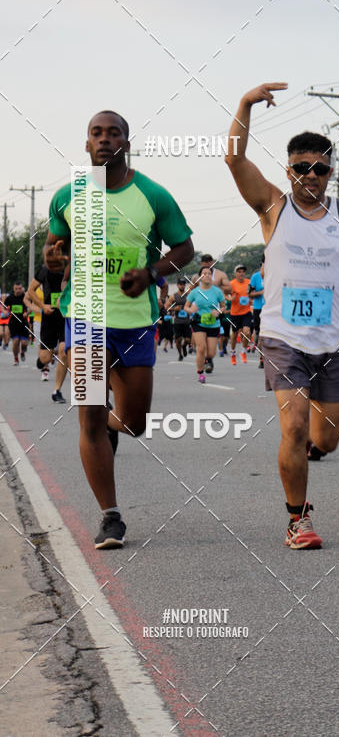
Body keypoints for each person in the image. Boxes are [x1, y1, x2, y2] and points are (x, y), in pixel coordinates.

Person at [225, 82, 339, 548]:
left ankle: (302, 453)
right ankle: (297, 519)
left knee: (325, 439)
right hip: (284, 337)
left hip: (336, 340)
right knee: (295, 424)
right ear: (289, 171)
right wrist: (245, 104)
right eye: (301, 168)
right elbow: (236, 161)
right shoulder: (273, 207)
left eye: (320, 169)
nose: (310, 176)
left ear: (330, 172)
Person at [44, 109, 193, 550]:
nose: (105, 139)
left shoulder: (151, 195)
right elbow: (56, 248)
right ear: (86, 144)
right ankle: (110, 517)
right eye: (97, 133)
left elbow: (183, 246)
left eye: (114, 133)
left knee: (134, 421)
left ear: (127, 143)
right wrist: (54, 260)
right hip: (86, 316)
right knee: (88, 413)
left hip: (135, 322)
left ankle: (112, 425)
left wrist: (150, 273)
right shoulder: (68, 195)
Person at [25, 263, 68, 402]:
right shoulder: (44, 270)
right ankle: (43, 359)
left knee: (63, 350)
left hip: (65, 316)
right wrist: (42, 306)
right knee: (46, 358)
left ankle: (57, 390)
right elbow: (31, 290)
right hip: (49, 317)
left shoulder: (71, 267)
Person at [185, 266, 225, 382]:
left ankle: (208, 360)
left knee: (211, 352)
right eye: (204, 273)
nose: (207, 275)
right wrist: (191, 310)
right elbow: (186, 307)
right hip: (198, 322)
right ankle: (200, 372)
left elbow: (223, 306)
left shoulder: (217, 291)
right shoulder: (195, 292)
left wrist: (218, 311)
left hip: (213, 324)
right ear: (200, 277)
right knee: (201, 348)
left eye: (209, 273)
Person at [227, 264, 253, 364]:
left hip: (246, 312)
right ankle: (233, 353)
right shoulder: (232, 284)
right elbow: (224, 293)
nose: (241, 273)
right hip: (235, 313)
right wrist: (230, 298)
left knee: (247, 332)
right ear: (235, 273)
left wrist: (251, 299)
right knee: (234, 333)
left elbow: (252, 293)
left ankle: (243, 351)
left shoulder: (249, 282)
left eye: (243, 271)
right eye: (239, 271)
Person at [4, 282, 31, 365]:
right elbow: (4, 308)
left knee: (23, 343)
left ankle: (23, 351)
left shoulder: (25, 297)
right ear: (13, 289)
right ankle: (16, 358)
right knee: (15, 342)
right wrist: (6, 312)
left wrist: (27, 313)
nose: (18, 290)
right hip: (13, 323)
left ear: (22, 288)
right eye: (16, 289)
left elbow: (31, 307)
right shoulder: (10, 298)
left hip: (23, 323)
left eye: (19, 288)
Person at [167, 278, 192, 361]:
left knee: (188, 340)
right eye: (180, 284)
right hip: (177, 322)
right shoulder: (173, 296)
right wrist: (174, 308)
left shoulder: (189, 295)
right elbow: (166, 307)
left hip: (187, 321)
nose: (182, 286)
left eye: (184, 284)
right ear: (177, 285)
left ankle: (184, 346)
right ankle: (180, 354)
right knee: (178, 340)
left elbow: (194, 305)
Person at [249, 256, 265, 368]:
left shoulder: (276, 275)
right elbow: (249, 294)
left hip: (272, 308)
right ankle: (262, 358)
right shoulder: (256, 277)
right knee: (261, 335)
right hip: (259, 308)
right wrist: (261, 292)